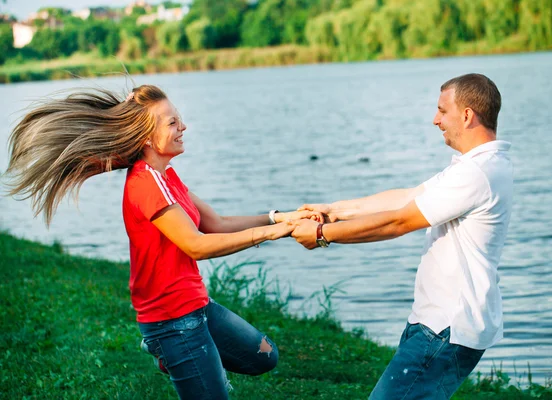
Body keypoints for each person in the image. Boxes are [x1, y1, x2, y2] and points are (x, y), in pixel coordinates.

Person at [3, 84, 322, 400]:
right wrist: (274, 234)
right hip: (174, 322)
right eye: (172, 123)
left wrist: (279, 217)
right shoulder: (146, 185)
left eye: (179, 119)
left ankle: (166, 353)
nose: (183, 127)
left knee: (264, 355)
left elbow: (217, 224)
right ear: (145, 137)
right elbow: (195, 245)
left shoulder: (166, 176)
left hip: (198, 306)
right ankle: (166, 349)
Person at [291, 73, 513, 399]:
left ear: (466, 115)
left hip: (447, 326)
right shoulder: (475, 166)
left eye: (442, 110)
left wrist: (323, 234)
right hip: (436, 322)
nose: (435, 120)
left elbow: (398, 222)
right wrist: (335, 210)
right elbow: (406, 198)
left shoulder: (476, 173)